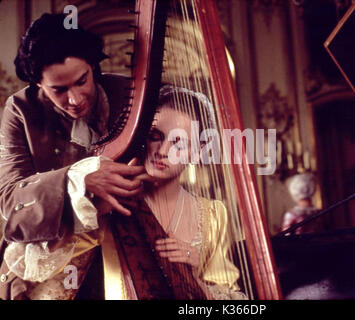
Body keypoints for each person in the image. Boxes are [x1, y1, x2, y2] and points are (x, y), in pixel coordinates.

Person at [0, 13, 150, 300]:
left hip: (130, 239)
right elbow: (9, 201)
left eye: (82, 81)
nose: (75, 99)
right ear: (38, 84)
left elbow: (194, 111)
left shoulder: (129, 94)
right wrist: (79, 179)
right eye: (59, 89)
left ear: (94, 66)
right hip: (53, 255)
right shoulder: (20, 110)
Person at [108, 84, 247, 299]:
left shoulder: (213, 214)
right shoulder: (111, 202)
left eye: (178, 142)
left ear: (198, 152)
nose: (163, 151)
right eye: (155, 136)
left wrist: (193, 272)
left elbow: (230, 298)